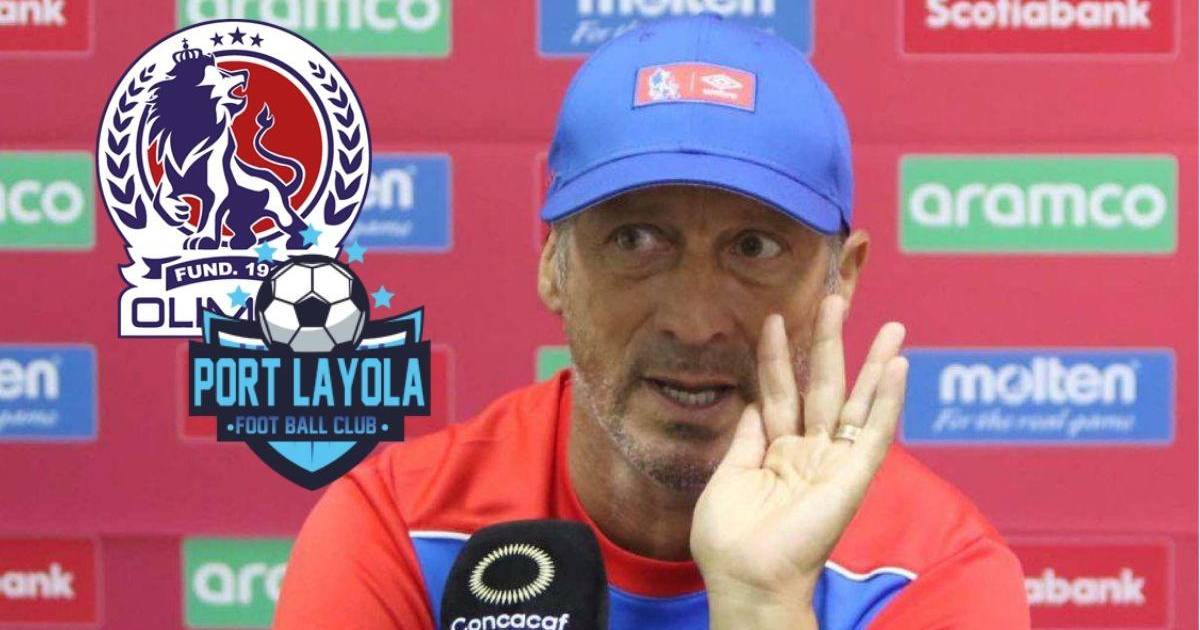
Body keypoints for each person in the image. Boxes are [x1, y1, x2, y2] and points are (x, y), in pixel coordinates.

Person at [275, 15, 1029, 629]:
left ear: (843, 280)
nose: (695, 323)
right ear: (554, 263)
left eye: (754, 248)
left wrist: (763, 607)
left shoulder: (930, 570)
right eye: (636, 240)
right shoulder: (402, 530)